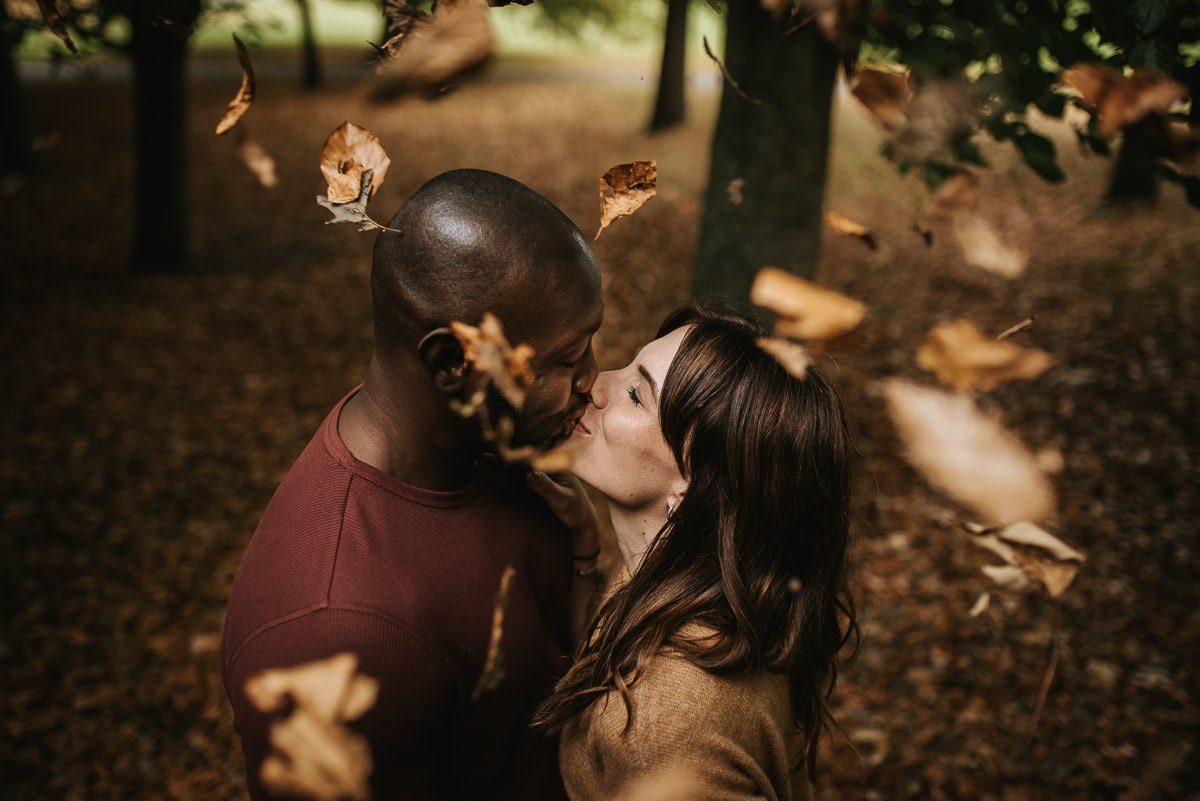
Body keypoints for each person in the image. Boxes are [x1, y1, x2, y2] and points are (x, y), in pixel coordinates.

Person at [220, 169, 605, 801]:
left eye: (589, 345)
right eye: (566, 360)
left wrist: (587, 559)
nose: (593, 380)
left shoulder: (489, 445)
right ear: (452, 362)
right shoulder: (331, 641)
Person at [529, 305, 857, 801]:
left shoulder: (660, 728)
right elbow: (599, 663)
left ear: (695, 486)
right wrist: (583, 549)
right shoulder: (695, 581)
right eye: (630, 366)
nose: (595, 385)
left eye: (636, 395)